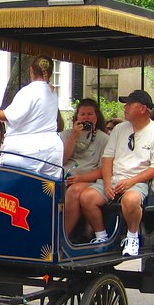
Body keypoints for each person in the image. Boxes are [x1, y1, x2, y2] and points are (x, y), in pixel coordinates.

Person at [79, 89, 154, 257]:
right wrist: (107, 183)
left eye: (129, 104)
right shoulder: (120, 129)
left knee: (131, 199)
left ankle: (132, 237)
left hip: (140, 182)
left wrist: (131, 181)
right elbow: (108, 159)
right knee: (87, 198)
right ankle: (101, 237)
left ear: (142, 109)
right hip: (115, 179)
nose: (125, 107)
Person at [0, 56, 63, 176]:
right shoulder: (52, 92)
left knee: (18, 191)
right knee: (48, 191)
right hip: (53, 149)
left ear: (31, 70)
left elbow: (9, 116)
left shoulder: (28, 92)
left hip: (28, 151)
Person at [61, 98, 110, 239]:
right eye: (82, 114)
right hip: (64, 177)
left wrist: (80, 178)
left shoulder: (104, 139)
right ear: (77, 117)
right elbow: (62, 159)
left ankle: (63, 238)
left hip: (90, 180)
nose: (86, 117)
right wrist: (74, 136)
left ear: (96, 117)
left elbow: (104, 170)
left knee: (75, 191)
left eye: (90, 114)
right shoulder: (66, 135)